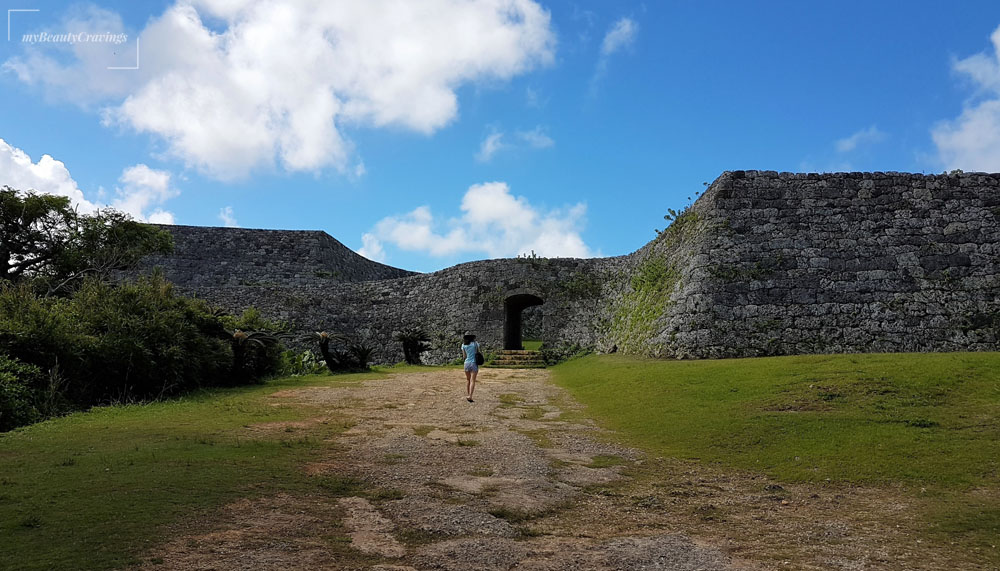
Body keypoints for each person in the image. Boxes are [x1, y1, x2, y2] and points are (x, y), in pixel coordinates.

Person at [460, 333, 480, 402]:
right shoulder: (475, 344)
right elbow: (478, 352)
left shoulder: (463, 345)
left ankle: (468, 394)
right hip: (474, 363)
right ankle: (470, 396)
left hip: (466, 363)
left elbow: (464, 356)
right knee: (472, 380)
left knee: (468, 380)